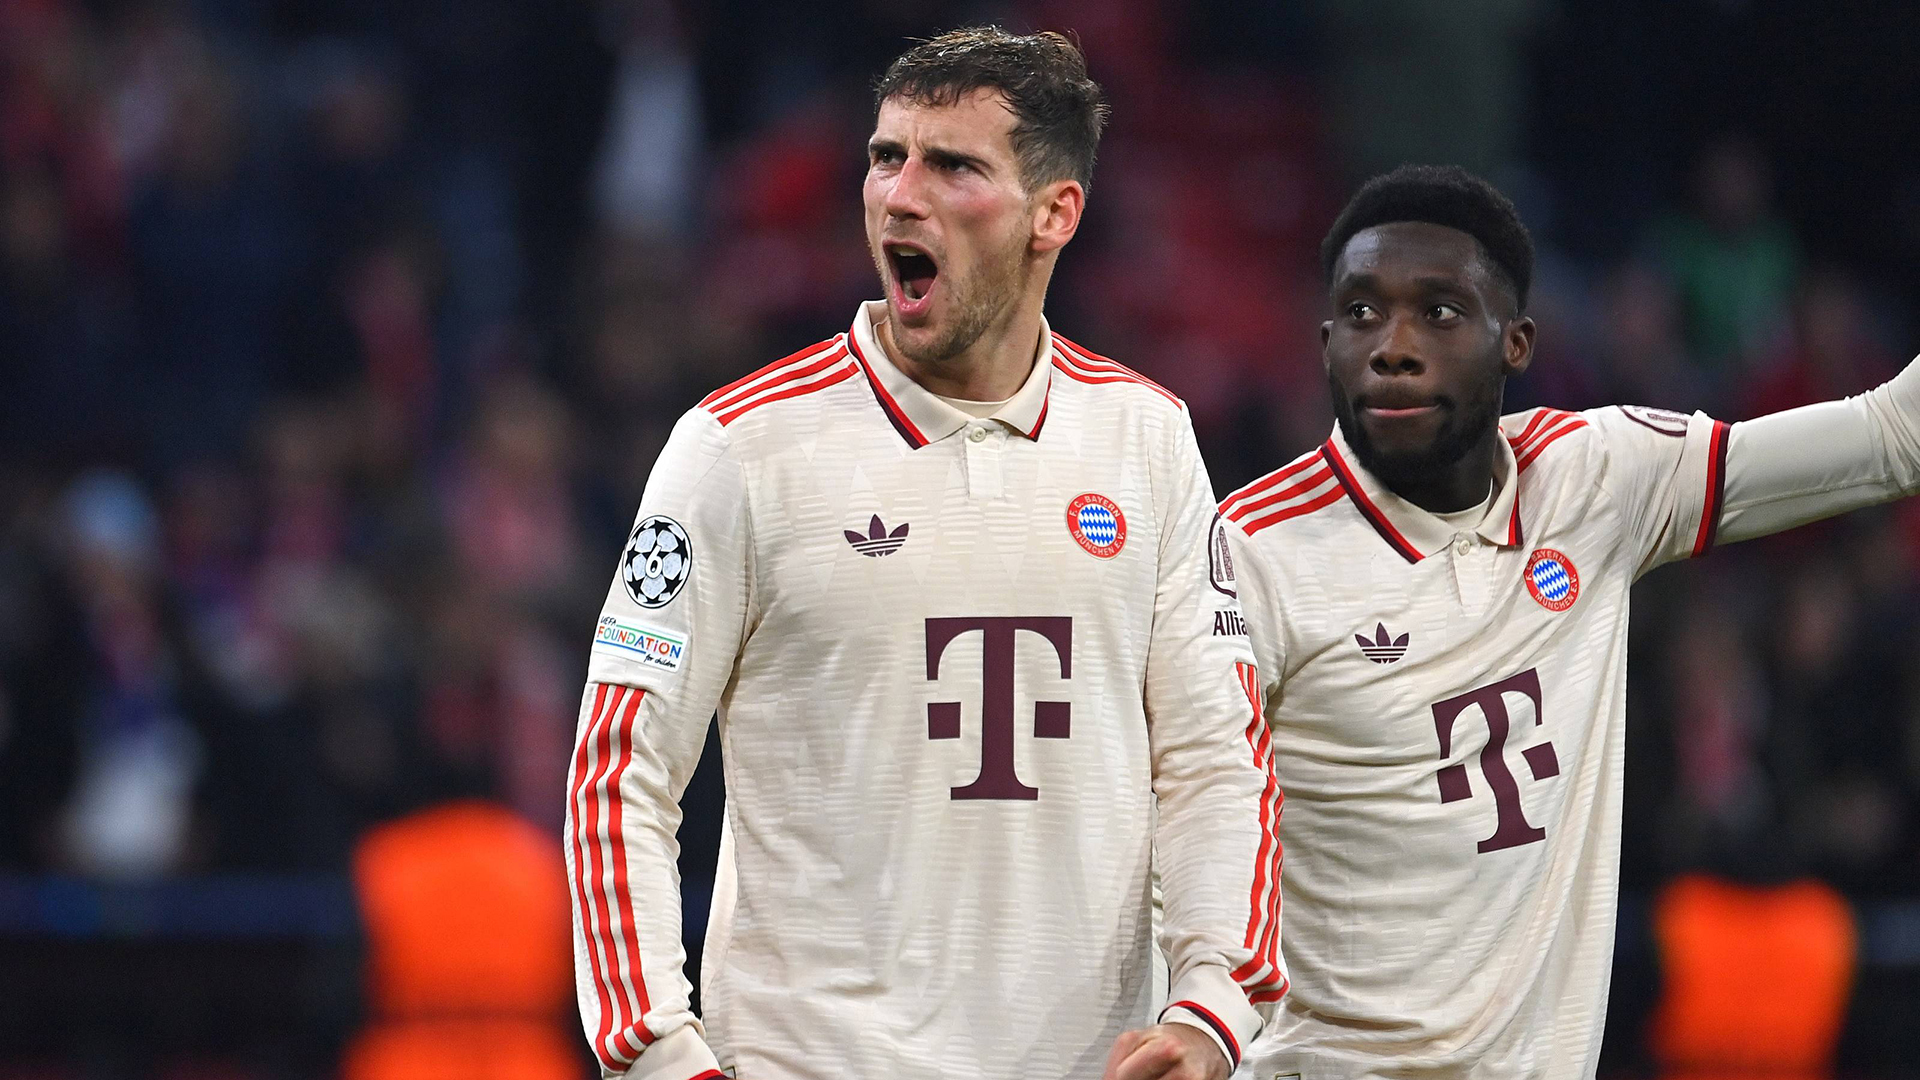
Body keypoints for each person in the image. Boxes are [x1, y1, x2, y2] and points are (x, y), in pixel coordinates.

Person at [566, 28, 1283, 1080]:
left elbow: (1218, 759)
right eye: (884, 156)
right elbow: (618, 767)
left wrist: (1213, 1006)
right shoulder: (737, 449)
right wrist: (660, 1054)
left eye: (952, 166)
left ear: (1056, 214)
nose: (899, 197)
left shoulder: (1148, 440)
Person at [1219, 164, 1920, 1079]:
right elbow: (1194, 820)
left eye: (1438, 312)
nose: (1392, 345)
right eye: (1361, 312)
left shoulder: (1595, 479)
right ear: (1324, 342)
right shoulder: (1249, 550)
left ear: (1516, 344)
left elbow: (1891, 438)